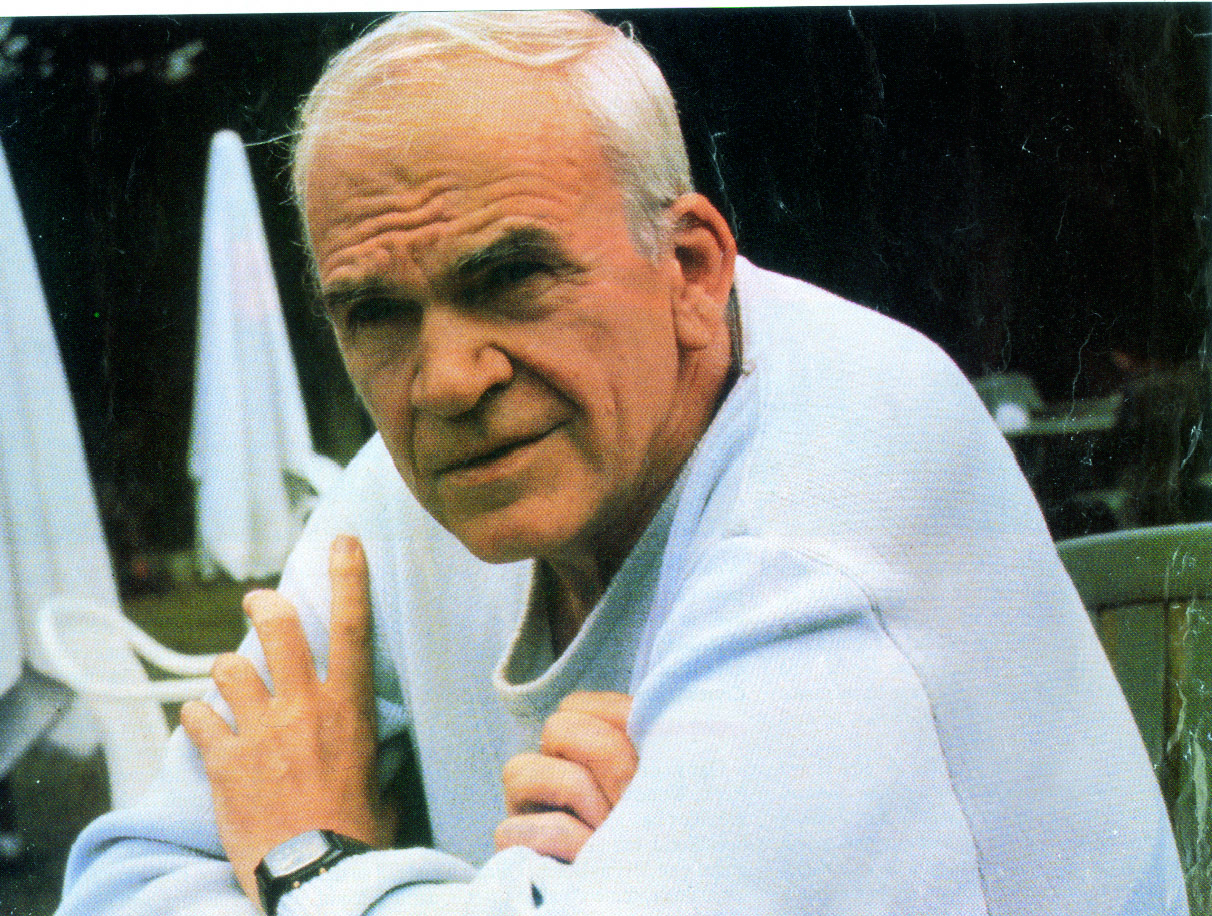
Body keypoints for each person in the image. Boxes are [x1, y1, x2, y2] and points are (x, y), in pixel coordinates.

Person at [58, 11, 1186, 916]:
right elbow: (123, 884)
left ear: (690, 268)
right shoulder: (418, 496)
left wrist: (310, 865)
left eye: (511, 278)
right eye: (377, 314)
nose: (445, 380)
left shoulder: (831, 494)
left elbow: (269, 853)